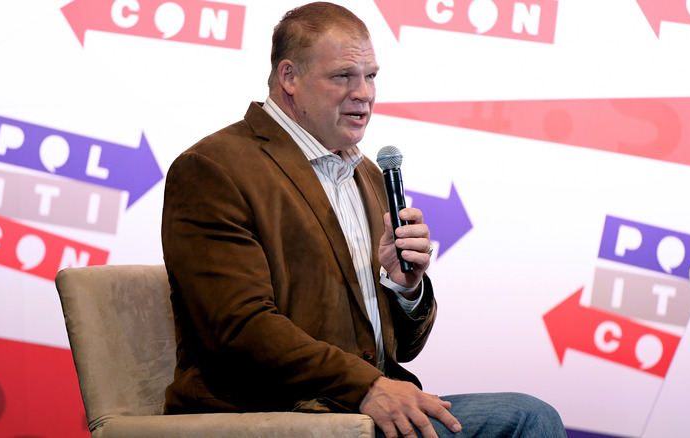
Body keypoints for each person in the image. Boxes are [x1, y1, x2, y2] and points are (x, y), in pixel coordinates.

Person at [161, 2, 567, 437]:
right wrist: (368, 386)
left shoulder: (367, 174)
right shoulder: (214, 168)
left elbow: (404, 350)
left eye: (371, 76)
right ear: (289, 78)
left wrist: (406, 286)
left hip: (357, 406)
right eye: (343, 77)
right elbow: (238, 331)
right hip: (271, 413)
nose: (365, 93)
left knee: (529, 413)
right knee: (527, 420)